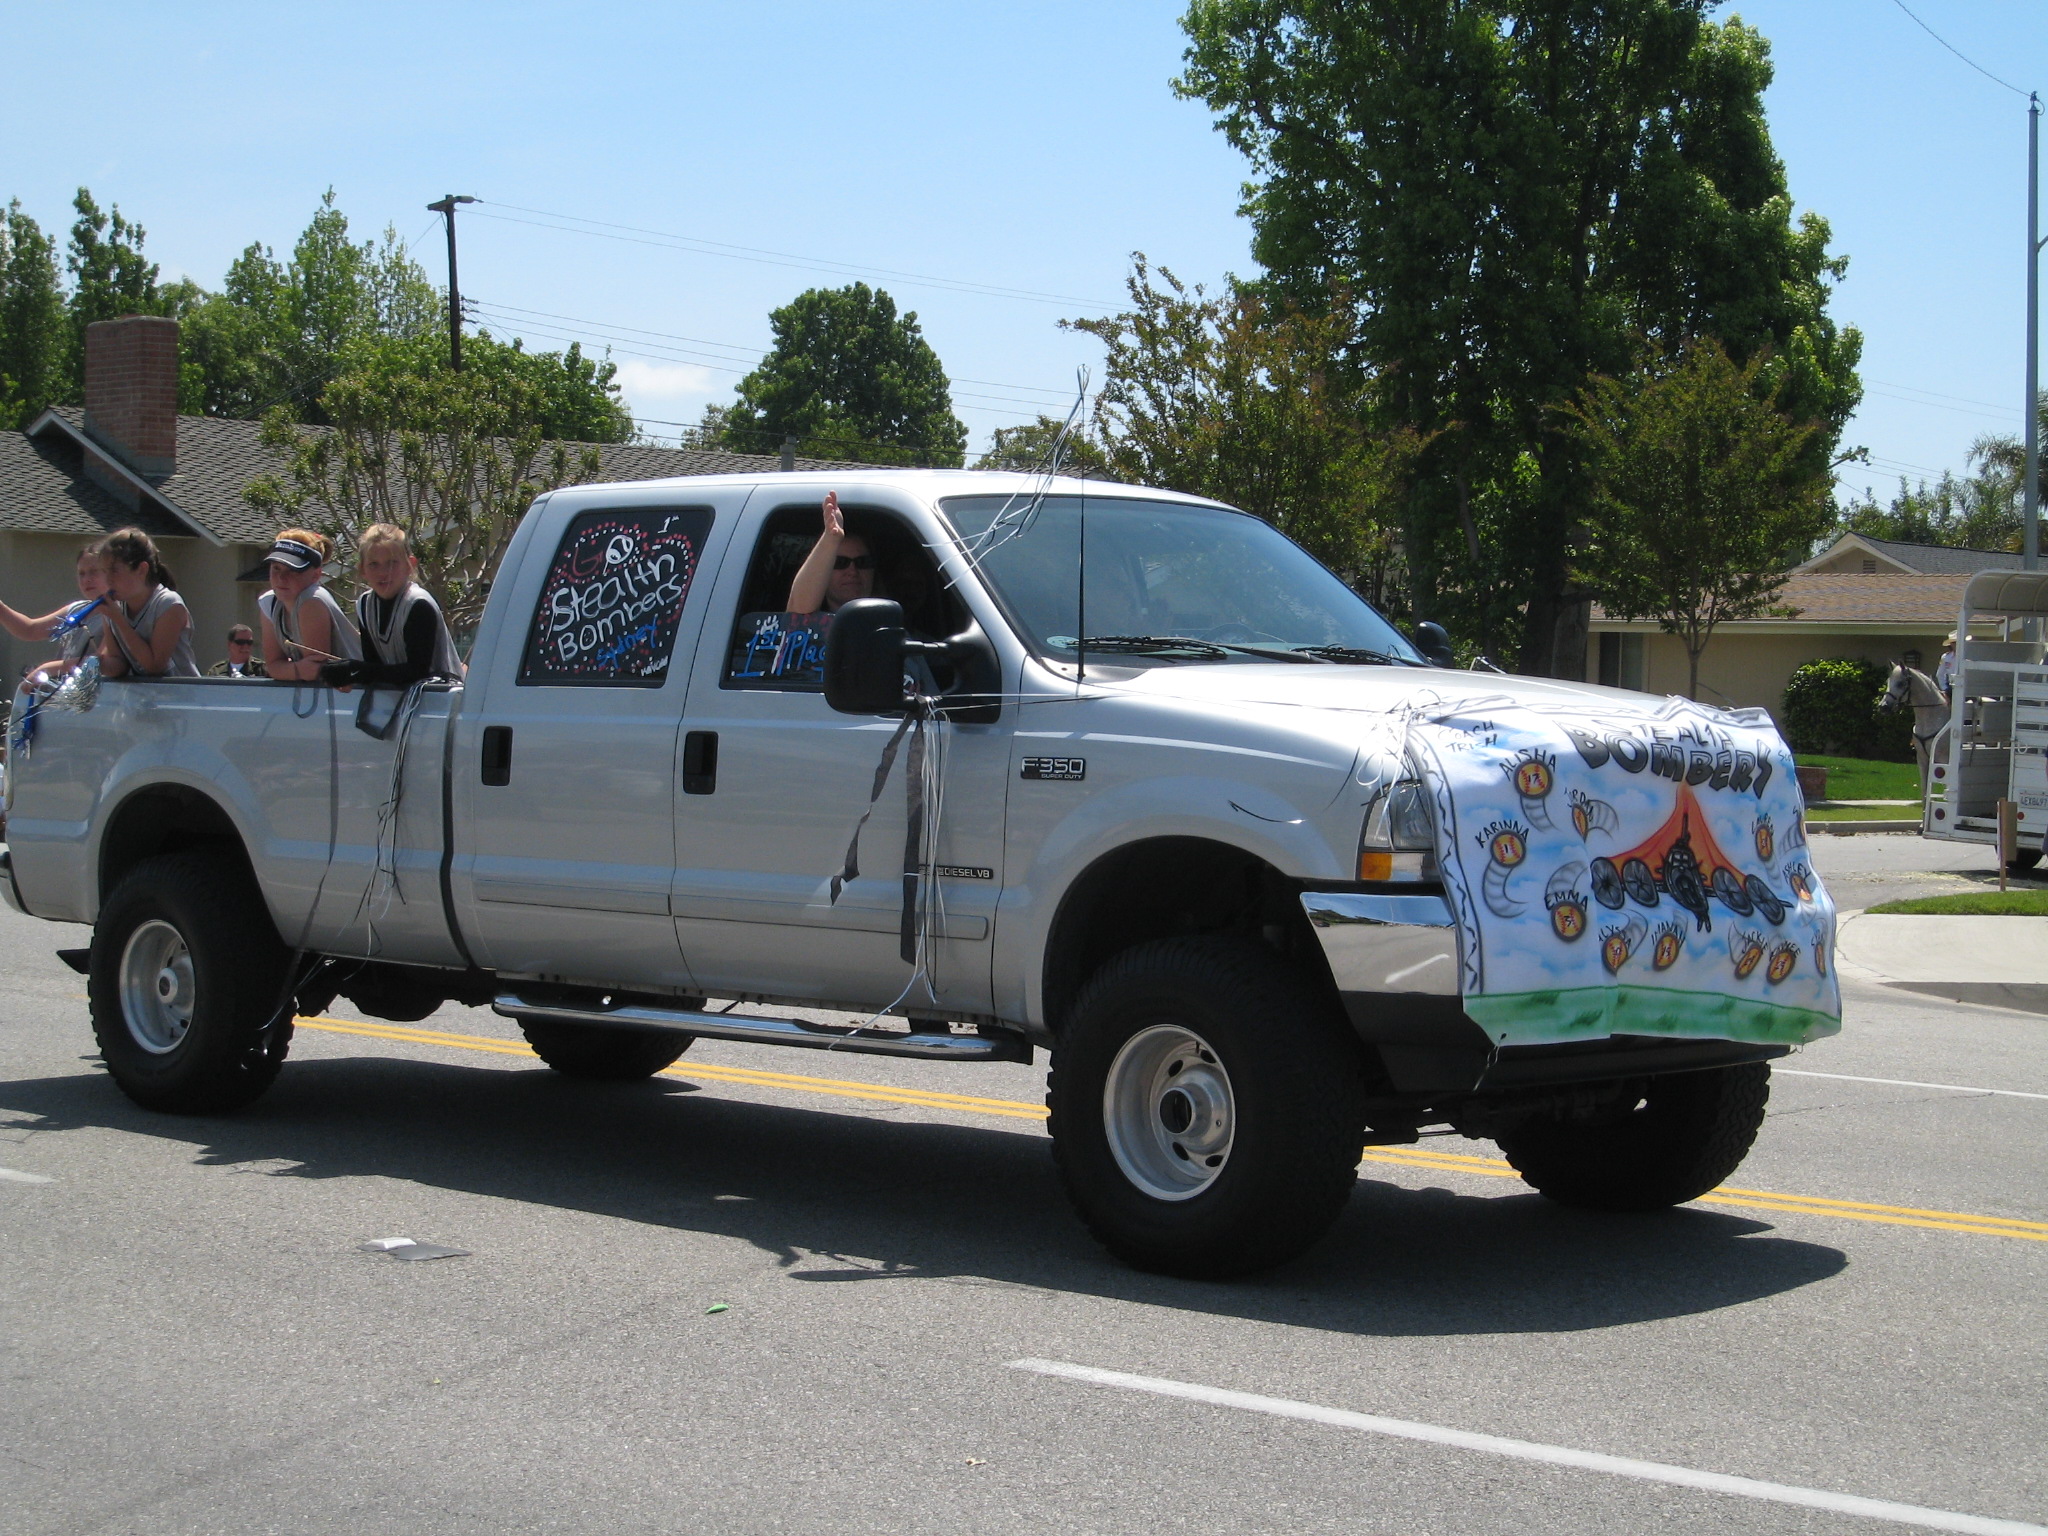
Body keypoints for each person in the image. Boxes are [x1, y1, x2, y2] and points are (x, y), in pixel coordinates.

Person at [318, 523, 463, 689]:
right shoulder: (365, 605)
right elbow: (374, 665)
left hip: (442, 699)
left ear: (410, 565)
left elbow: (418, 671)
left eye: (392, 563)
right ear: (362, 569)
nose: (383, 572)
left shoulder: (417, 604)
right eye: (374, 564)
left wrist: (358, 670)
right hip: (396, 701)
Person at [243, 529, 360, 682]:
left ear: (316, 575)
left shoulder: (312, 600)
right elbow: (272, 666)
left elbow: (313, 672)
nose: (281, 578)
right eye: (276, 568)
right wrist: (293, 669)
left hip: (362, 692)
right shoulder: (269, 602)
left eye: (293, 570)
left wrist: (288, 670)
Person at [1, 542, 110, 689]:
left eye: (94, 571)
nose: (86, 579)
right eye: (81, 573)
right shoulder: (76, 609)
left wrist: (46, 669)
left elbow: (104, 661)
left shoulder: (118, 614)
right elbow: (30, 630)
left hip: (98, 701)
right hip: (64, 700)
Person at [96, 528, 199, 678]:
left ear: (141, 569)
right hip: (143, 698)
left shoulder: (168, 604)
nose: (108, 580)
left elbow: (154, 666)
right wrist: (92, 663)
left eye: (115, 571)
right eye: (105, 572)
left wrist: (119, 619)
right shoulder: (114, 609)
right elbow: (119, 664)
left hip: (183, 696)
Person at [787, 492, 883, 615]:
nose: (852, 571)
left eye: (862, 562)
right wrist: (831, 538)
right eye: (840, 563)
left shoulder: (892, 624)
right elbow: (798, 614)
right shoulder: (812, 629)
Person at [1936, 632, 1958, 700]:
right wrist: (1944, 689)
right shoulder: (1946, 657)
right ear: (1950, 644)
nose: (1956, 644)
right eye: (1953, 642)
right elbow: (1940, 674)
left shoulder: (1969, 655)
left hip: (1968, 688)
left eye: (1957, 642)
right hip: (1951, 687)